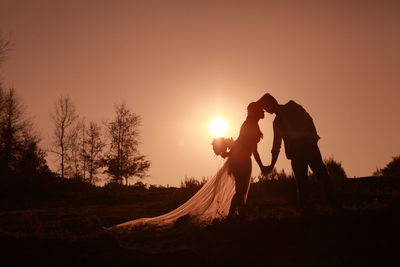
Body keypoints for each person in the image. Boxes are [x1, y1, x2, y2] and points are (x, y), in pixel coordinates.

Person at [104, 102, 266, 250]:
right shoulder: (248, 125)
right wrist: (233, 152)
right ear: (255, 112)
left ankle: (235, 219)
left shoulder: (251, 124)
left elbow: (248, 147)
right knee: (239, 191)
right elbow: (246, 146)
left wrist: (233, 153)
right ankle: (237, 220)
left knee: (240, 191)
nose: (264, 112)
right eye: (261, 110)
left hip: (243, 160)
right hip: (241, 161)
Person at [257, 93, 340, 215]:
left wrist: (313, 139)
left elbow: (308, 119)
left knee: (322, 176)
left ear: (270, 104)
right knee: (302, 183)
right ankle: (307, 211)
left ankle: (336, 206)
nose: (266, 111)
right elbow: (276, 145)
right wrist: (271, 165)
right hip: (296, 152)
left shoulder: (291, 106)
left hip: (308, 146)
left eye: (265, 107)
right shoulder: (276, 122)